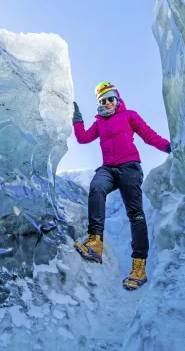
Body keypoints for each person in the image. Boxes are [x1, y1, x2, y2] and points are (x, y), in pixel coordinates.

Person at [72, 81, 171, 290]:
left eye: (110, 98)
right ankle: (95, 243)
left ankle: (139, 268)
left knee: (135, 214)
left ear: (117, 99)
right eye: (103, 100)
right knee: (97, 187)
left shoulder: (129, 115)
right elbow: (82, 138)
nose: (107, 103)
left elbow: (148, 135)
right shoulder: (99, 122)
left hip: (129, 167)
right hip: (108, 169)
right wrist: (77, 119)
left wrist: (169, 147)